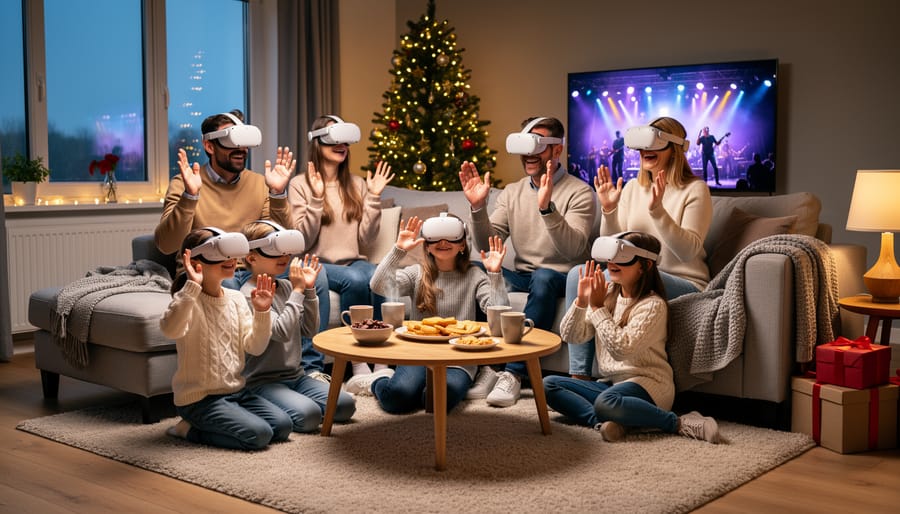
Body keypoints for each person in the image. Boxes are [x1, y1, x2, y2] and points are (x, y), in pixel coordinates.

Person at [459, 116, 596, 407]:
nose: (530, 155)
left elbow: (574, 250)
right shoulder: (513, 192)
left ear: (556, 150)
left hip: (559, 277)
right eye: (525, 145)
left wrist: (547, 209)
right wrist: (477, 207)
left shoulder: (580, 192)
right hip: (523, 274)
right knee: (471, 267)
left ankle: (513, 372)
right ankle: (483, 365)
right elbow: (487, 245)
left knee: (544, 277)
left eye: (538, 146)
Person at [565, 116, 712, 380]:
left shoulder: (695, 189)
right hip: (637, 273)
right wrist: (609, 210)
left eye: (653, 144)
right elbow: (614, 247)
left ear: (674, 149)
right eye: (641, 146)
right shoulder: (633, 188)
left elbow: (688, 251)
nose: (644, 151)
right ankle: (580, 377)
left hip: (683, 280)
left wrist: (658, 212)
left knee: (597, 278)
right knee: (579, 275)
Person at [544, 232, 720, 443]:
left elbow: (622, 350)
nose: (612, 263)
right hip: (611, 385)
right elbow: (572, 336)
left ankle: (678, 422)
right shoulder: (607, 294)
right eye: (610, 257)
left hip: (648, 385)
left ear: (644, 266)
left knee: (606, 403)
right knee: (548, 384)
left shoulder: (652, 305)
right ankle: (605, 424)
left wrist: (598, 307)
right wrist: (581, 301)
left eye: (622, 258)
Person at [350, 214, 509, 414]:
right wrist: (398, 250)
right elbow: (378, 285)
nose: (443, 242)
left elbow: (499, 311)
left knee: (434, 401)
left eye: (451, 237)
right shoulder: (416, 273)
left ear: (462, 245)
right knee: (397, 398)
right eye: (436, 238)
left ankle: (466, 378)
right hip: (417, 356)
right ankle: (378, 380)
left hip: (459, 361)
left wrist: (495, 274)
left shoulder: (475, 276)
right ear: (427, 245)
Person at [159, 228, 293, 450]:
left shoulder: (237, 298)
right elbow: (170, 329)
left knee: (282, 426)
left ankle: (226, 419)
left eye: (231, 255)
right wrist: (192, 286)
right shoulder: (188, 299)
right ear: (194, 261)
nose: (230, 260)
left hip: (238, 391)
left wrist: (262, 312)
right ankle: (187, 429)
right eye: (220, 254)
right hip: (199, 400)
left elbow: (256, 347)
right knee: (258, 435)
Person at [288, 115, 395, 380]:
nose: (342, 145)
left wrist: (374, 197)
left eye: (345, 141)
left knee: (380, 275)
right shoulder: (299, 184)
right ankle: (357, 363)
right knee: (357, 279)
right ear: (317, 143)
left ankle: (381, 361)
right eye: (334, 140)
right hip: (315, 262)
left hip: (352, 260)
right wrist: (316, 197)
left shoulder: (356, 184)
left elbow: (368, 238)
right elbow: (301, 238)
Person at [238, 220, 356, 432]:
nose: (284, 257)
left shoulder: (284, 287)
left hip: (296, 376)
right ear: (251, 258)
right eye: (274, 252)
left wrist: (309, 291)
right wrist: (299, 291)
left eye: (285, 251)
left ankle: (291, 401)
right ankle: (257, 405)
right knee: (308, 416)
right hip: (262, 382)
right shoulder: (248, 295)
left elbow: (309, 331)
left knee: (345, 406)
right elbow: (281, 333)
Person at [155, 109, 295, 257]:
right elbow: (166, 245)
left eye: (244, 140)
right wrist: (190, 197)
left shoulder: (260, 184)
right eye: (231, 140)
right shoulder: (183, 184)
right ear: (209, 146)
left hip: (251, 270)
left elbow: (283, 243)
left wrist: (278, 194)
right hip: (204, 271)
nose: (241, 148)